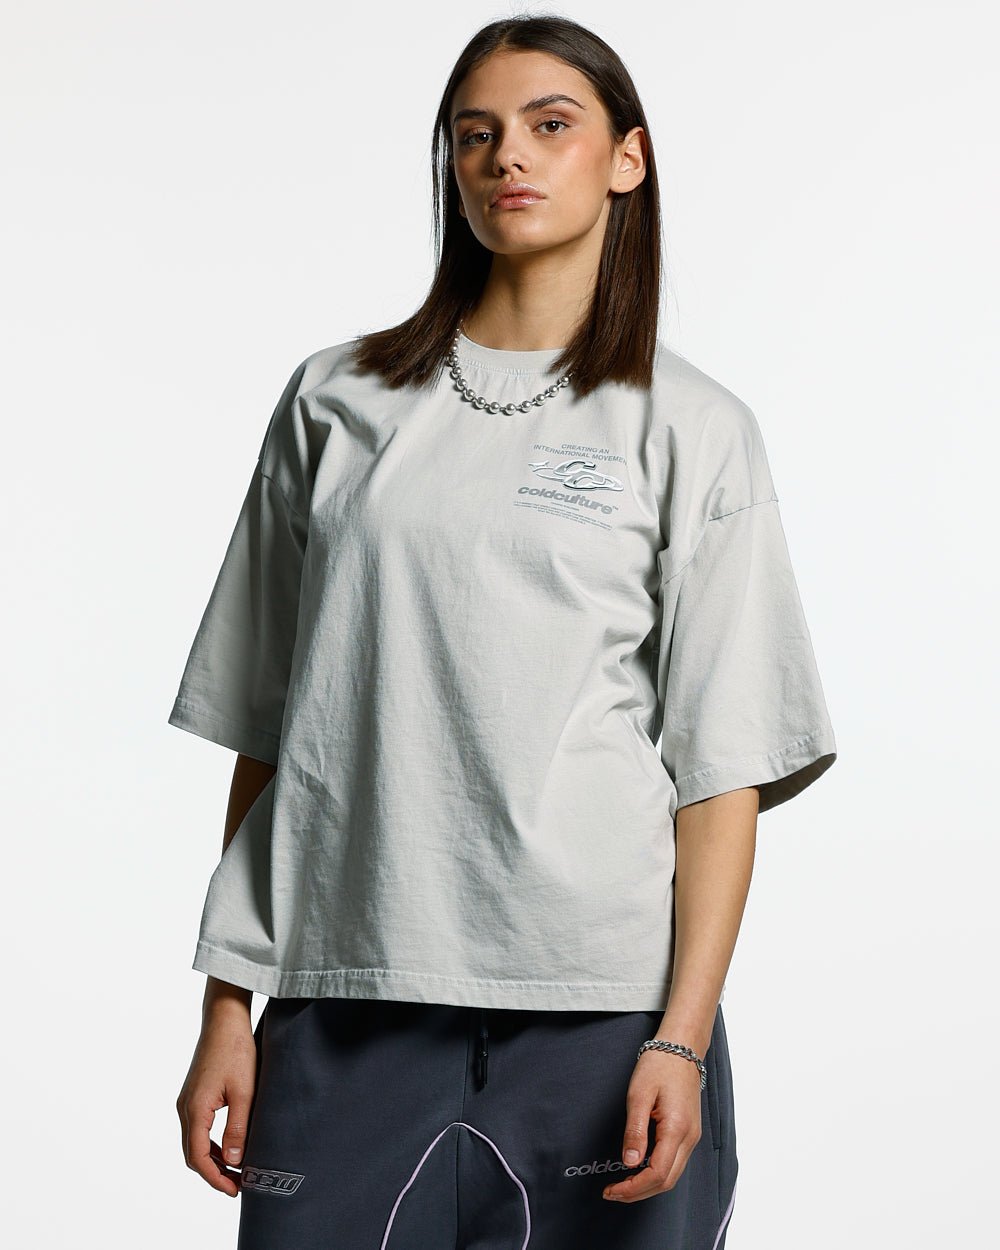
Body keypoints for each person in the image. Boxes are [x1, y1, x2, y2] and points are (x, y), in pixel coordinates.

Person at [171, 14, 837, 1250]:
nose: (506, 157)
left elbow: (721, 767)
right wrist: (226, 1003)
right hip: (347, 995)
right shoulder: (335, 401)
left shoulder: (691, 426)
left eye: (549, 124)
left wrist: (681, 1036)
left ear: (627, 158)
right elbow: (271, 724)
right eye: (473, 134)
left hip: (601, 1015)